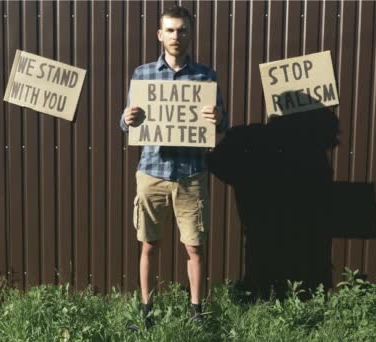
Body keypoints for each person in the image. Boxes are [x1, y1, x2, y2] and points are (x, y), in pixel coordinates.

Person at [120, 5, 228, 328]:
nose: (176, 36)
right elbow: (127, 124)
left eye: (182, 30)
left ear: (190, 33)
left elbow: (221, 131)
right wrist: (126, 119)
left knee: (195, 247)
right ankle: (147, 312)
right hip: (152, 171)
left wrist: (219, 120)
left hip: (191, 174)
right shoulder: (143, 75)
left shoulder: (205, 76)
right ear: (160, 35)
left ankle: (197, 314)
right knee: (148, 245)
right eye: (170, 30)